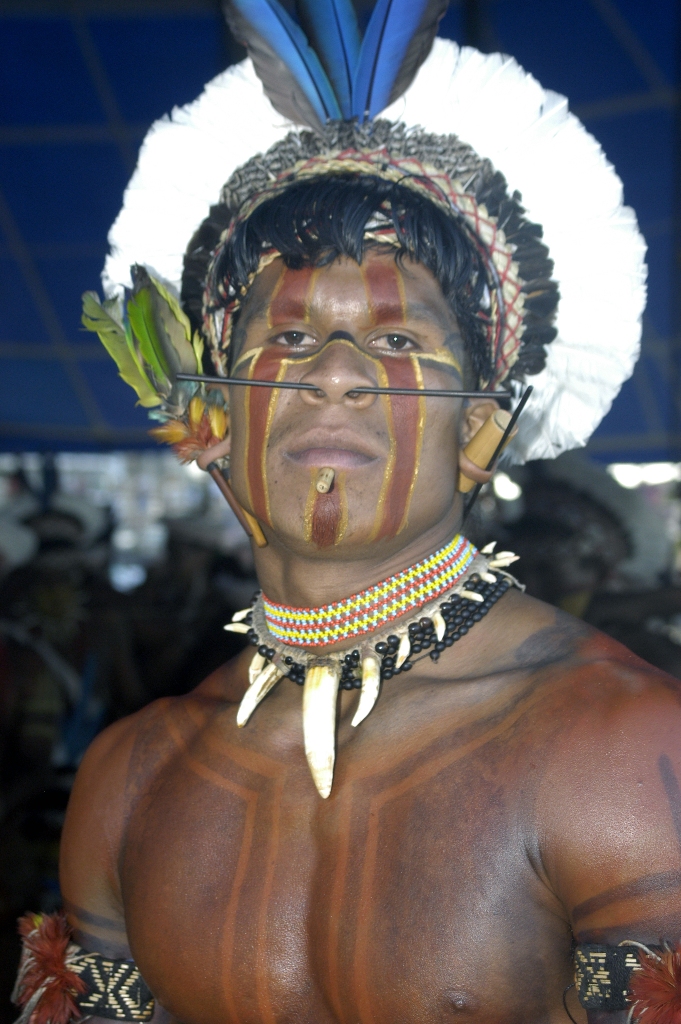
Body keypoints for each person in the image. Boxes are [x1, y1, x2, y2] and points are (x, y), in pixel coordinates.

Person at [13, 4, 679, 1024]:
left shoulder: (621, 747)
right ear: (209, 419)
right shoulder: (133, 777)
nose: (333, 374)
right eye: (283, 339)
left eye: (401, 344)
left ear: (481, 431)